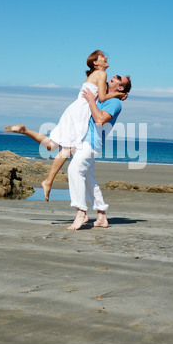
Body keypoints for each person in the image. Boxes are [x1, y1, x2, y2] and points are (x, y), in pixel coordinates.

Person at [5, 50, 126, 201]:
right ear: (96, 62)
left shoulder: (92, 75)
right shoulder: (101, 74)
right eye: (102, 56)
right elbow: (102, 97)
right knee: (68, 149)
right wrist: (118, 95)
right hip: (80, 113)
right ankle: (48, 181)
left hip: (73, 110)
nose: (106, 57)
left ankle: (25, 130)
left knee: (51, 145)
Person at [66, 74, 131, 231]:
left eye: (117, 77)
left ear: (121, 87)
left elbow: (100, 119)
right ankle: (101, 216)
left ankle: (81, 211)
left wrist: (90, 101)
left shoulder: (115, 103)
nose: (113, 76)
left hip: (91, 143)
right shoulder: (106, 97)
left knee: (74, 171)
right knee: (89, 179)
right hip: (84, 141)